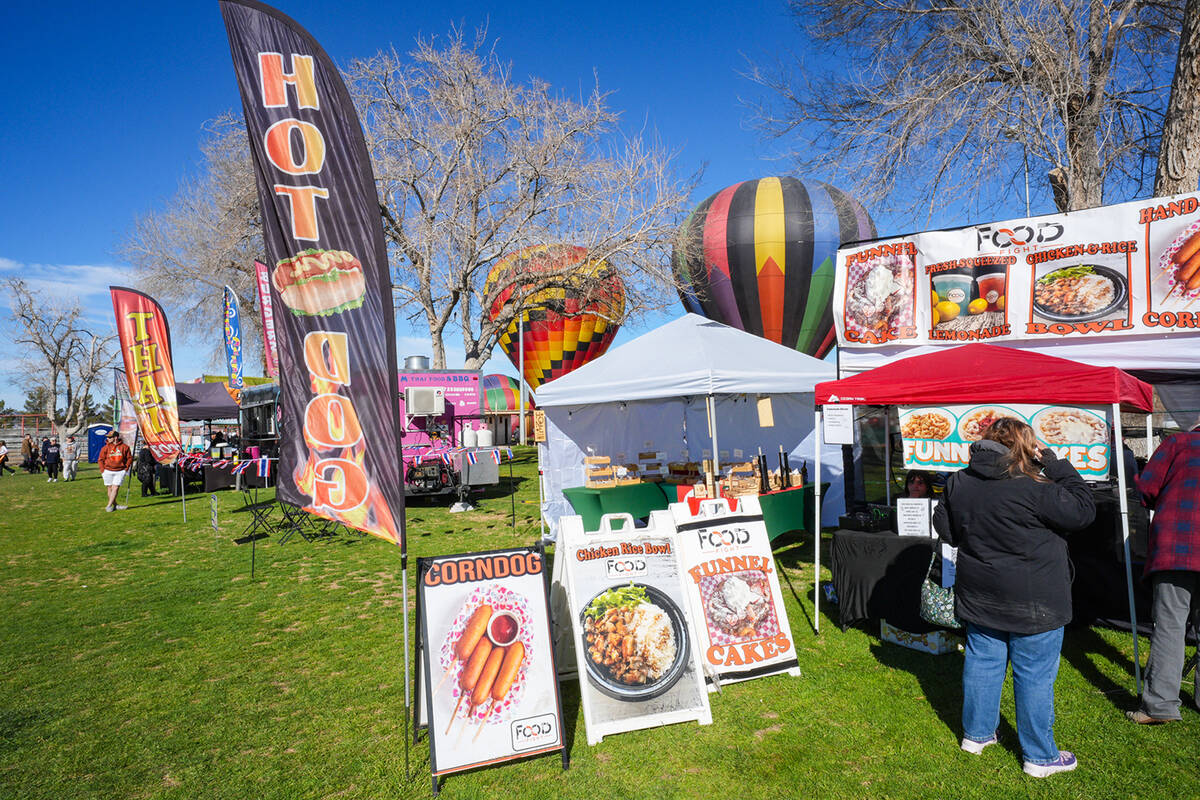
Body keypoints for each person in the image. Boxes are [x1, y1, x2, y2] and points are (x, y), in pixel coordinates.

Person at [933, 418, 1095, 778]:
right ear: (1025, 447)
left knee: (983, 663)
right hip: (1034, 600)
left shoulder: (959, 482)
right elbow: (1084, 510)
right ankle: (1039, 757)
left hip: (981, 593)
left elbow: (945, 529)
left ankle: (976, 736)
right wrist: (1056, 464)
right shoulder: (1036, 487)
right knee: (1033, 674)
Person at [1126, 418, 1200, 724]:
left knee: (1170, 625)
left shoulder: (1178, 443)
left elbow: (1146, 487)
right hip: (1179, 545)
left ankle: (1160, 706)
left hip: (1178, 546)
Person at [96, 431, 132, 512]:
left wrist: (126, 469)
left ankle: (108, 506)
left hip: (120, 471)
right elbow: (101, 459)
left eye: (110, 437)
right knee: (110, 488)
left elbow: (129, 458)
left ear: (115, 437)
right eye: (107, 437)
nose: (108, 439)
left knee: (115, 488)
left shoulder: (125, 447)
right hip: (107, 471)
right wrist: (102, 470)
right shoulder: (105, 448)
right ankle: (115, 505)